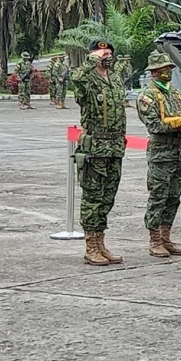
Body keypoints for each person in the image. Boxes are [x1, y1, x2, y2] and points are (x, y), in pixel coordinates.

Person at [71, 40, 127, 266]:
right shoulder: (87, 79)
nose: (107, 56)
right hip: (95, 147)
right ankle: (90, 246)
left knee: (107, 198)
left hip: (114, 147)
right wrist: (91, 61)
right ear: (92, 55)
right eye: (102, 53)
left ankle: (100, 242)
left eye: (109, 53)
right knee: (92, 198)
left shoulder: (114, 78)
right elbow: (76, 78)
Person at [137, 51, 181, 258]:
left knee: (173, 196)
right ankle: (155, 240)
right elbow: (154, 124)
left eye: (169, 68)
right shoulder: (148, 96)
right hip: (161, 153)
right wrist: (178, 125)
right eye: (163, 69)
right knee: (158, 196)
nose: (167, 72)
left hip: (178, 152)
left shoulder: (176, 94)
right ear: (153, 72)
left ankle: (166, 237)